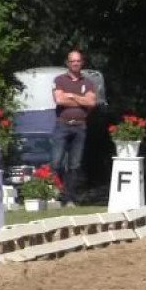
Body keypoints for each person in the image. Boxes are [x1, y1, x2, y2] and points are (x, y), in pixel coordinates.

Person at [51, 50, 97, 207]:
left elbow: (91, 103)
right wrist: (81, 100)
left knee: (75, 165)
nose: (75, 63)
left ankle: (69, 198)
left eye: (78, 61)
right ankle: (60, 192)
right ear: (67, 63)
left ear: (82, 62)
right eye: (72, 61)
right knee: (56, 162)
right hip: (62, 124)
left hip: (80, 126)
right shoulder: (59, 80)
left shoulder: (88, 82)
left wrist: (71, 96)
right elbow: (59, 99)